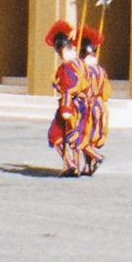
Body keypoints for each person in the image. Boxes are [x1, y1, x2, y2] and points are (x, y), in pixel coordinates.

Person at [45, 20, 89, 177]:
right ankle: (75, 165)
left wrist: (65, 108)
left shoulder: (66, 67)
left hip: (70, 105)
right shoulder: (82, 64)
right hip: (83, 104)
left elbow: (68, 90)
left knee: (55, 135)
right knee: (75, 136)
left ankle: (69, 164)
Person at [75, 26, 109, 177]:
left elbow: (79, 87)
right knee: (88, 137)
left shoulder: (84, 70)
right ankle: (88, 166)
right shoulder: (101, 70)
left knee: (79, 135)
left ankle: (95, 157)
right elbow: (106, 92)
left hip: (86, 105)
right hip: (99, 105)